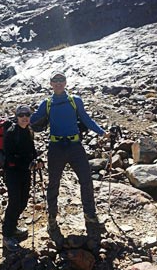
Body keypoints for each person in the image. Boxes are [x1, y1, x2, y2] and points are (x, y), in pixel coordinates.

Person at [30, 71, 110, 243]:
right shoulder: (47, 103)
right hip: (56, 147)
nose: (58, 84)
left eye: (61, 80)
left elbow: (86, 119)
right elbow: (33, 119)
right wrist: (19, 120)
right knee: (53, 183)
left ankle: (90, 215)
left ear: (65, 83)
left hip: (75, 146)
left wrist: (102, 132)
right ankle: (52, 218)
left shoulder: (75, 101)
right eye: (55, 81)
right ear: (51, 84)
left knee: (86, 179)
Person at [2, 104, 38, 252]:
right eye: (21, 115)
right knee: (14, 202)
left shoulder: (29, 131)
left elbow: (32, 151)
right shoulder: (11, 133)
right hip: (12, 173)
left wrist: (37, 159)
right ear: (16, 117)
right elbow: (9, 157)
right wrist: (27, 163)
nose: (24, 118)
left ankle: (13, 227)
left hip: (25, 172)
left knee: (23, 202)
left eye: (27, 115)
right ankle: (7, 236)